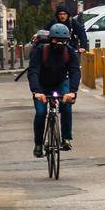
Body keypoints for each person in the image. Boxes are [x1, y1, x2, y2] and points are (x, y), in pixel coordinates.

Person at [28, 23, 80, 158]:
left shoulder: (70, 52)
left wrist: (73, 92)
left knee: (67, 107)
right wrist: (36, 92)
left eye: (64, 41)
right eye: (57, 40)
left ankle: (66, 138)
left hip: (60, 83)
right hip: (41, 85)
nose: (60, 44)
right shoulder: (41, 51)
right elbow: (33, 71)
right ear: (51, 39)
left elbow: (75, 72)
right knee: (40, 113)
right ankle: (38, 144)